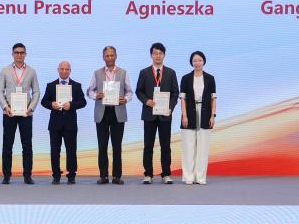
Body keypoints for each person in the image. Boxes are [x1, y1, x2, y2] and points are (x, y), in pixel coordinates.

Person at [86, 46, 133, 185]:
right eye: (107, 55)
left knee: (117, 146)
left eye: (112, 55)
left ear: (116, 56)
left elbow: (129, 91)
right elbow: (89, 91)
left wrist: (126, 99)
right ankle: (103, 176)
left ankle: (117, 176)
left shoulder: (123, 72)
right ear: (103, 57)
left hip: (118, 112)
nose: (109, 58)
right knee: (102, 145)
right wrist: (96, 95)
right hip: (102, 112)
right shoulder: (97, 73)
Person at [135, 42, 180, 184]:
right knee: (148, 145)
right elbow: (138, 91)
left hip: (165, 114)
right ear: (151, 55)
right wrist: (146, 101)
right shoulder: (144, 72)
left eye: (160, 53)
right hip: (149, 114)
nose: (158, 56)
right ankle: (148, 174)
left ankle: (166, 174)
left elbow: (175, 93)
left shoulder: (171, 72)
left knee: (165, 146)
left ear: (164, 55)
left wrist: (170, 107)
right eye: (155, 53)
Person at [0, 42, 41, 185]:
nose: (19, 55)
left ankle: (27, 176)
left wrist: (31, 108)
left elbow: (36, 91)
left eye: (22, 52)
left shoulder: (31, 71)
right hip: (9, 112)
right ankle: (6, 176)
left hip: (26, 114)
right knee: (7, 145)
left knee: (27, 145)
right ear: (12, 54)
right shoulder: (5, 70)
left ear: (25, 54)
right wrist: (5, 107)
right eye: (16, 52)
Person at [41, 60, 87, 184]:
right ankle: (56, 175)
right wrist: (52, 104)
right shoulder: (51, 85)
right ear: (58, 70)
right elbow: (44, 102)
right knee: (55, 151)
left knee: (71, 151)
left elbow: (83, 102)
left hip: (70, 124)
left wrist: (71, 105)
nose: (64, 71)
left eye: (67, 69)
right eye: (62, 69)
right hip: (55, 124)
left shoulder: (76, 85)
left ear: (70, 71)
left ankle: (71, 175)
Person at [180, 50, 217, 185]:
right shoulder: (185, 78)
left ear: (204, 61)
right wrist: (184, 115)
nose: (197, 63)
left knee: (203, 146)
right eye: (195, 60)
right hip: (189, 113)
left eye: (200, 60)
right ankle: (188, 177)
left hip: (205, 113)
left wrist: (213, 115)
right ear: (191, 62)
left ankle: (200, 177)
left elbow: (213, 98)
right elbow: (182, 98)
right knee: (188, 146)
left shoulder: (210, 78)